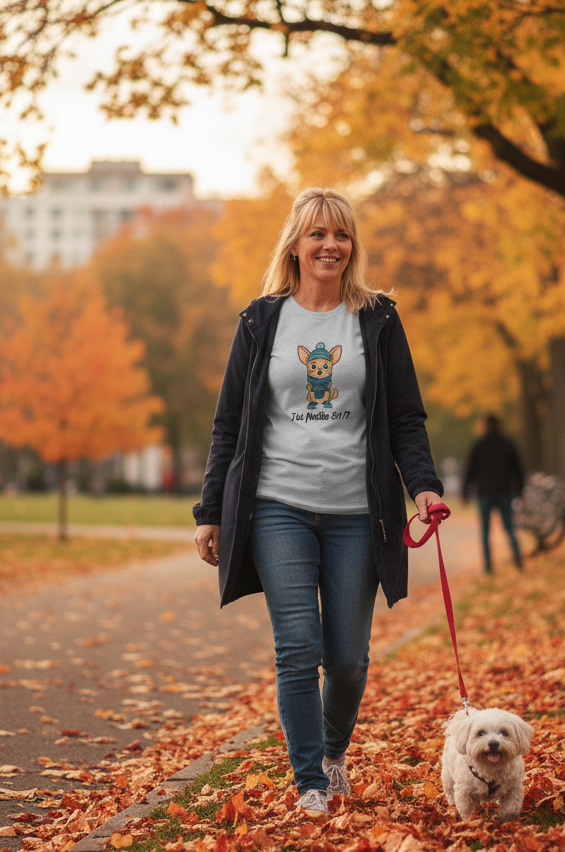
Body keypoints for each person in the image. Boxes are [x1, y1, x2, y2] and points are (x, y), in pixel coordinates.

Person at [193, 188, 444, 816]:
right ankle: (310, 782)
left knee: (348, 660)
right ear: (295, 246)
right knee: (299, 645)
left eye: (341, 234)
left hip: (358, 512)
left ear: (352, 245)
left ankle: (333, 753)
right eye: (318, 234)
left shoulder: (377, 318)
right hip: (277, 505)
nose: (331, 245)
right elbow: (229, 424)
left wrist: (423, 486)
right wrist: (209, 510)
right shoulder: (261, 321)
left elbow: (406, 417)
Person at [462, 414, 524, 573]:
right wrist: (520, 490)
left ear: (485, 426)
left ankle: (488, 567)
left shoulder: (479, 445)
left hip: (485, 493)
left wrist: (465, 493)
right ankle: (518, 560)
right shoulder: (507, 444)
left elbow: (469, 470)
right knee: (509, 528)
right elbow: (517, 469)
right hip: (505, 492)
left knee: (485, 532)